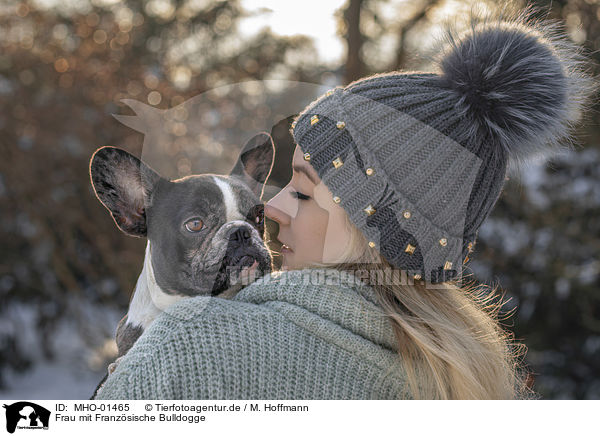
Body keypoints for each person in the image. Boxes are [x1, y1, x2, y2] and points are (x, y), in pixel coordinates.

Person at [94, 7, 596, 400]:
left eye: (305, 193)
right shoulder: (470, 374)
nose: (272, 209)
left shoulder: (191, 347)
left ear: (377, 231)